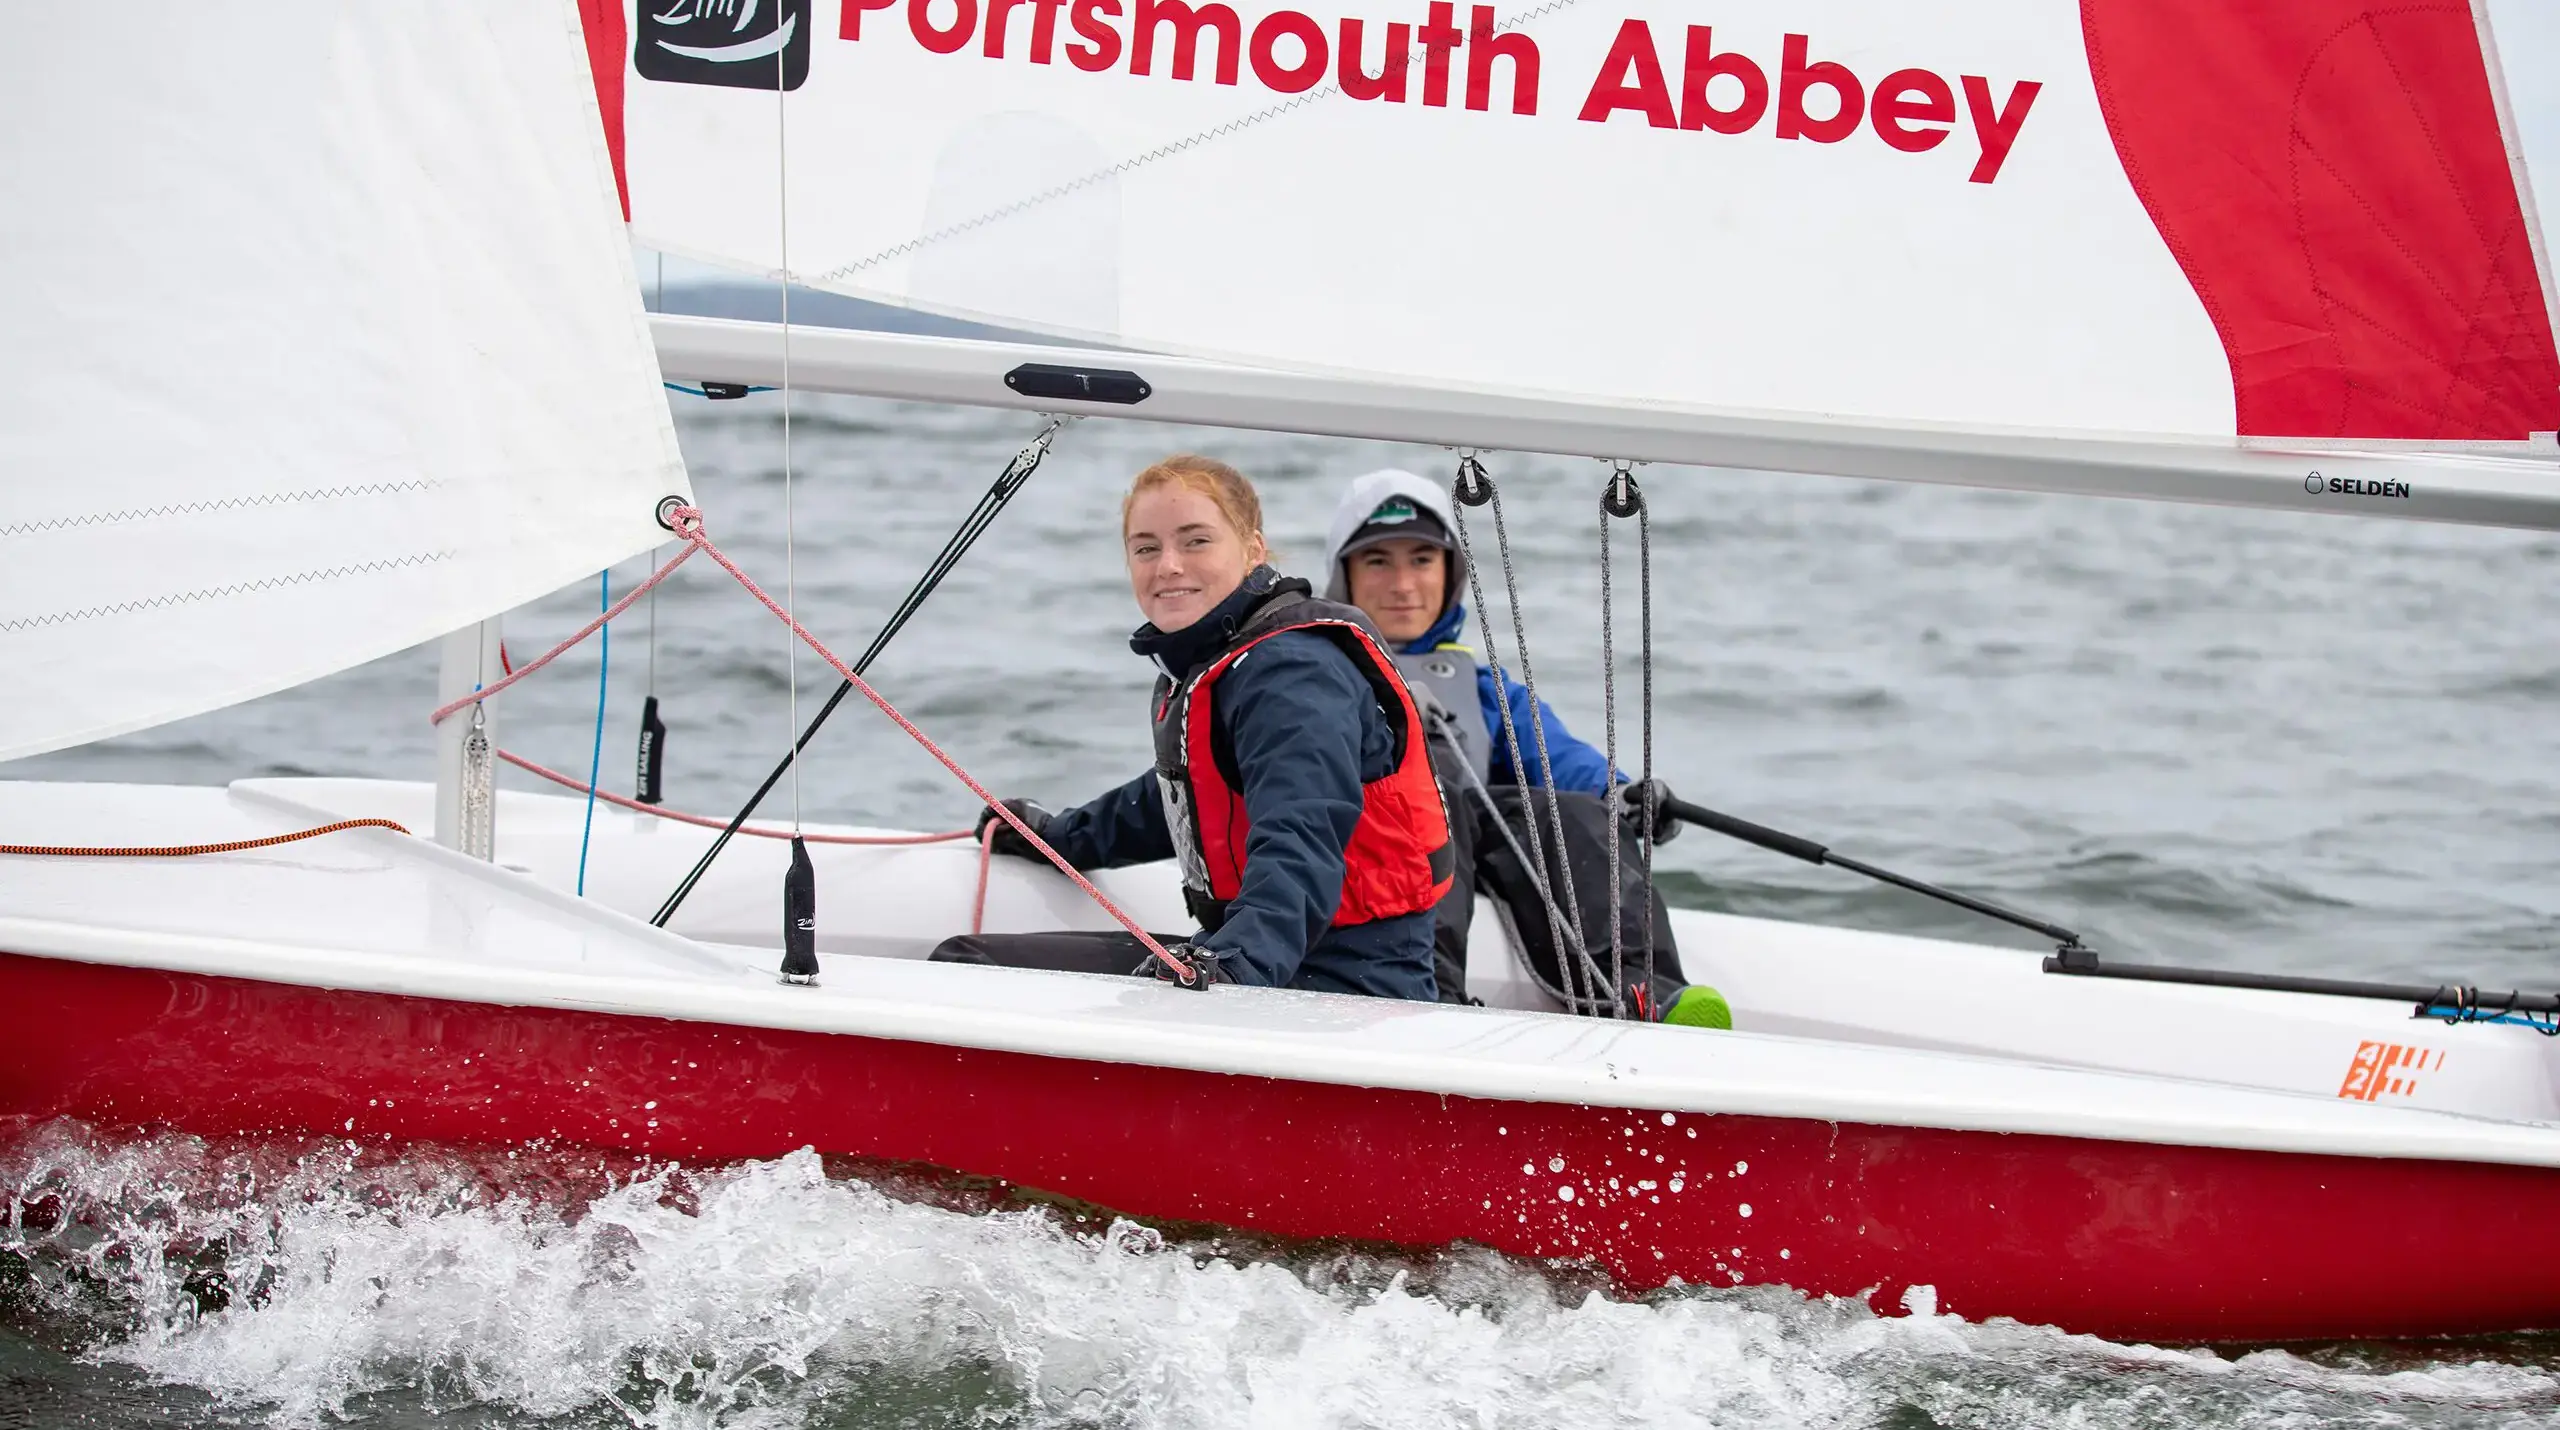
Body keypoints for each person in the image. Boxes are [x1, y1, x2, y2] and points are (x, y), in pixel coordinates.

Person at [929, 454, 1453, 1001]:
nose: (1168, 565)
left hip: (1346, 987)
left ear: (1253, 550)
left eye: (1196, 541)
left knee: (968, 968)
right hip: (1278, 958)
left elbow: (1303, 836)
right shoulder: (1229, 659)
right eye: (1146, 548)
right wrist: (1061, 838)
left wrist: (1233, 965)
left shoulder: (1292, 674)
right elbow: (1193, 797)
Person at [1323, 468, 1729, 1028]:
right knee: (1431, 800)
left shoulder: (1486, 688)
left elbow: (1554, 754)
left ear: (1450, 572)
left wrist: (1621, 793)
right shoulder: (1316, 674)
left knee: (1578, 814)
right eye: (1377, 562)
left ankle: (1643, 990)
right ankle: (1426, 995)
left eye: (1421, 559)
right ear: (1344, 575)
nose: (1403, 584)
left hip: (1483, 836)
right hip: (1380, 840)